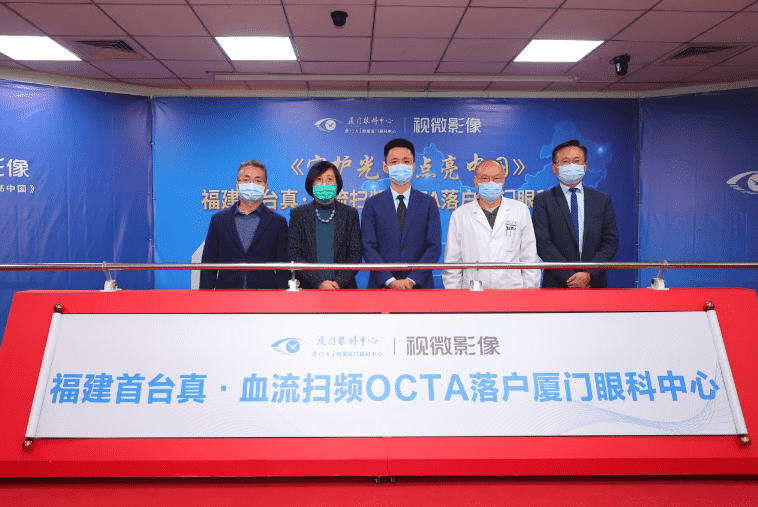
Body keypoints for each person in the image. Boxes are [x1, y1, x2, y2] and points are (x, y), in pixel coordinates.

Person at [531, 139, 618, 288]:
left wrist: (588, 274)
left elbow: (610, 241)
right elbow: (543, 243)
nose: (571, 165)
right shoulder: (543, 200)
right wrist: (570, 276)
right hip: (557, 283)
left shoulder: (602, 200)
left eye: (577, 161)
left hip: (594, 283)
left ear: (585, 166)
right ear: (555, 168)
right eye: (565, 161)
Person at [443, 159, 540, 289]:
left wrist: (529, 290)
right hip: (473, 290)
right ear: (476, 181)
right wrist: (455, 294)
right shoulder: (460, 215)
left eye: (496, 178)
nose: (491, 183)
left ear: (503, 180)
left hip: (512, 290)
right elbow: (452, 261)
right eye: (485, 178)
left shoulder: (520, 210)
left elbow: (529, 256)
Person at [361, 138, 441, 289]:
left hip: (419, 286)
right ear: (385, 167)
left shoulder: (428, 203)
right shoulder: (372, 204)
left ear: (413, 167)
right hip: (381, 287)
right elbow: (368, 246)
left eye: (405, 161)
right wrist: (389, 280)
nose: (400, 166)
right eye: (394, 161)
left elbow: (434, 247)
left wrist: (412, 280)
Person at [200, 160, 289, 289]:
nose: (252, 185)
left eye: (258, 180)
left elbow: (283, 268)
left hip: (265, 295)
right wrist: (204, 296)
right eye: (246, 179)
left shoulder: (278, 222)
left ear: (265, 187)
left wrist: (283, 298)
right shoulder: (218, 220)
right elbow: (208, 265)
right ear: (237, 185)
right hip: (226, 294)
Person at [288, 161, 362, 289]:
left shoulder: (350, 214)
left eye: (329, 179)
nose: (324, 184)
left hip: (343, 288)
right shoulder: (298, 214)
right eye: (319, 179)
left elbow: (355, 254)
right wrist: (319, 282)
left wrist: (338, 282)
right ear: (311, 184)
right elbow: (294, 254)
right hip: (309, 288)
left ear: (337, 185)